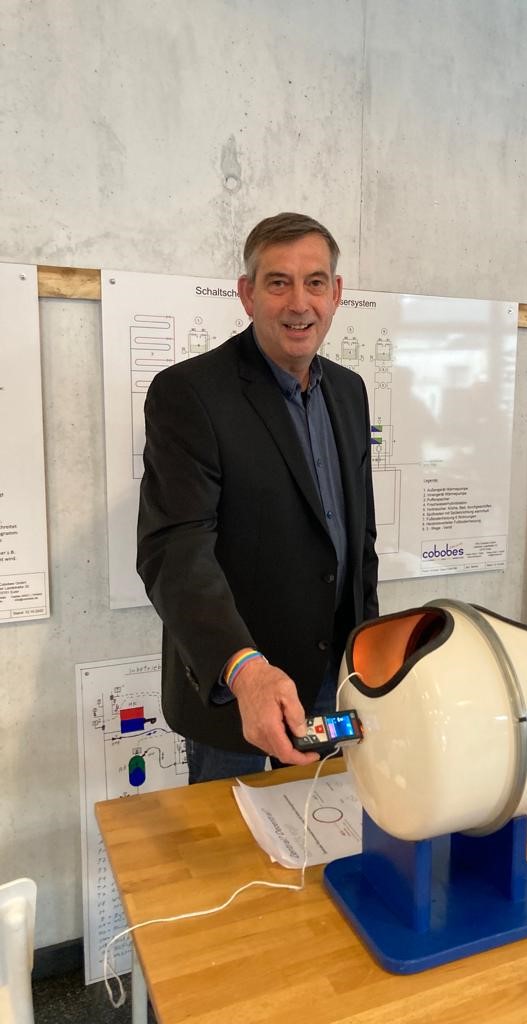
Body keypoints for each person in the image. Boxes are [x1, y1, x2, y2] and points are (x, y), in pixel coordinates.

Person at [137, 212, 379, 783]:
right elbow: (175, 549)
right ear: (247, 295)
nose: (299, 303)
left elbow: (358, 538)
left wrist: (367, 653)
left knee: (327, 823)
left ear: (336, 293)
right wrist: (244, 669)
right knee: (233, 836)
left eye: (314, 282)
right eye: (278, 283)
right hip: (238, 687)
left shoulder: (349, 392)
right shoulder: (190, 393)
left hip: (333, 678)